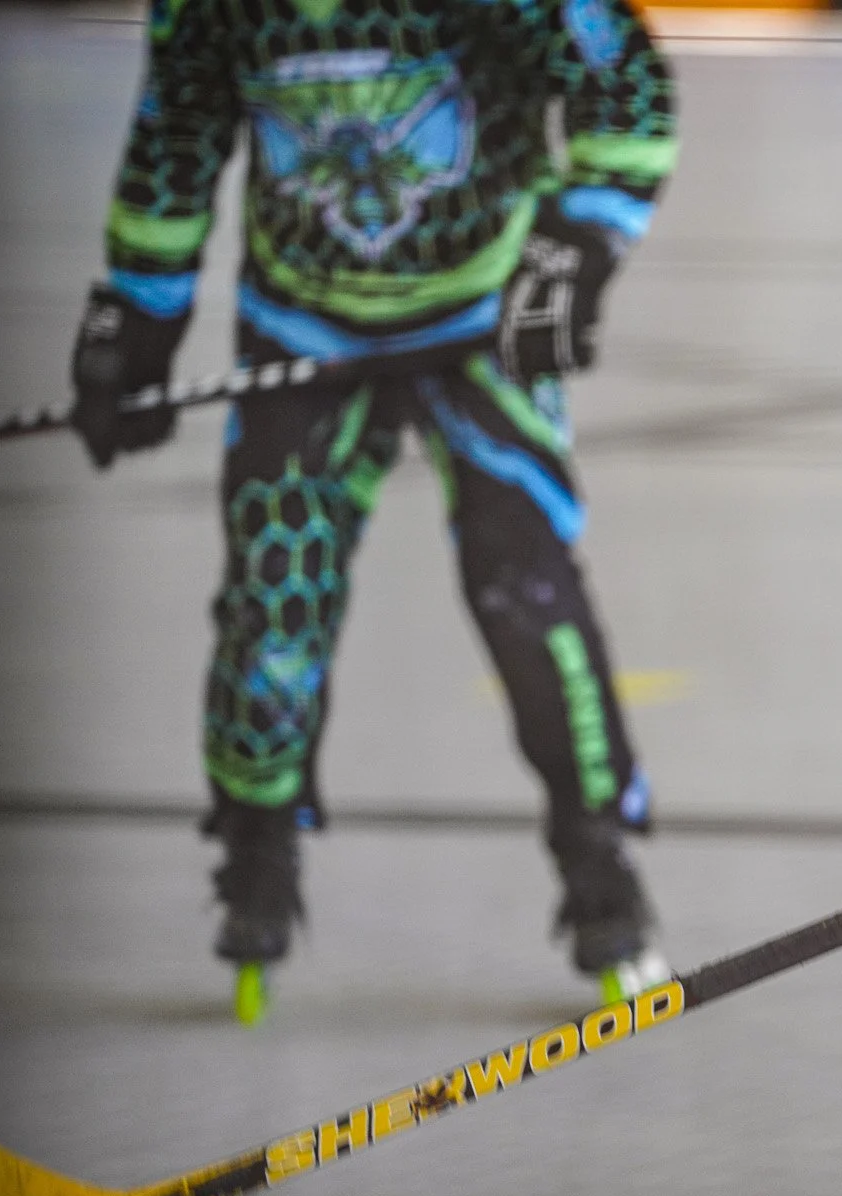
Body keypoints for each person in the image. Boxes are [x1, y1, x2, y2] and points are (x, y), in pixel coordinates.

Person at [68, 0, 677, 1016]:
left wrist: (577, 240)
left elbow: (628, 87)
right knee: (275, 593)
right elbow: (178, 128)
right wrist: (137, 310)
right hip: (303, 329)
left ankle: (596, 854)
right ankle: (256, 841)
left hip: (481, 321)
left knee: (523, 590)